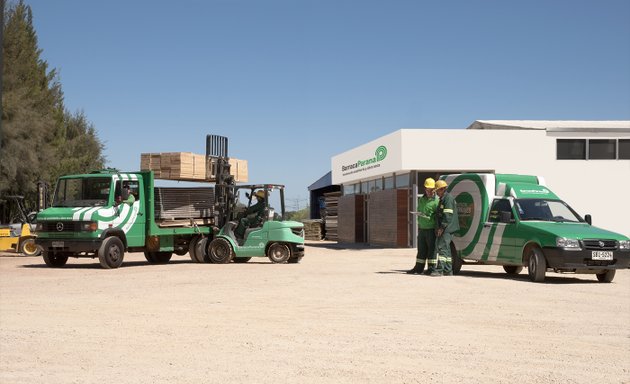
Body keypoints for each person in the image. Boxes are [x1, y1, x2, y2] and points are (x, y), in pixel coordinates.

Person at [407, 178, 438, 274]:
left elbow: (438, 216)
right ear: (425, 189)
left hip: (431, 229)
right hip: (422, 229)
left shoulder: (437, 201)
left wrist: (430, 218)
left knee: (431, 250)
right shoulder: (422, 199)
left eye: (431, 190)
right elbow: (420, 210)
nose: (429, 192)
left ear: (434, 190)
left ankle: (431, 269)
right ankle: (418, 268)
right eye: (427, 190)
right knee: (421, 250)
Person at [432, 179, 459, 277]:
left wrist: (441, 227)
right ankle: (448, 270)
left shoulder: (448, 199)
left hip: (447, 228)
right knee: (446, 249)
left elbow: (447, 215)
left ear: (442, 189)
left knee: (442, 247)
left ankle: (439, 270)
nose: (436, 193)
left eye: (437, 191)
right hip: (447, 227)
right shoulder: (443, 198)